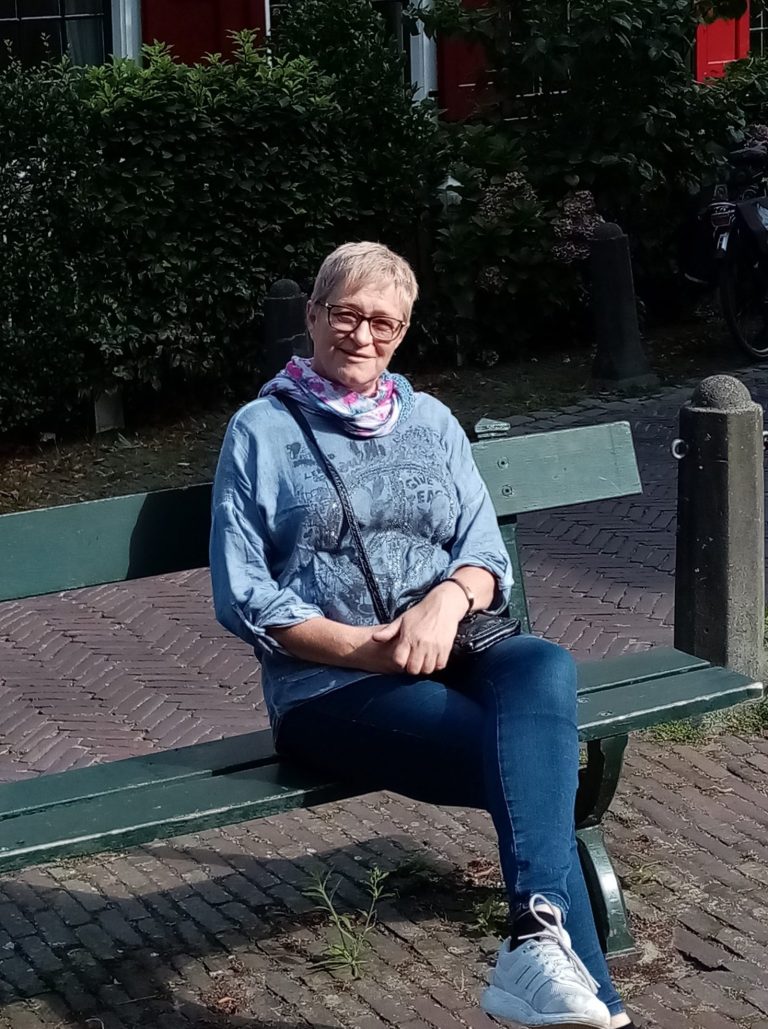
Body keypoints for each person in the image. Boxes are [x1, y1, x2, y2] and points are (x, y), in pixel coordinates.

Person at [210, 241, 634, 1029]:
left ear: (403, 332)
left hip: (458, 645)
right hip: (333, 686)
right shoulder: (261, 432)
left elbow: (483, 552)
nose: (363, 335)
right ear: (313, 316)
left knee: (543, 662)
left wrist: (446, 598)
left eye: (385, 322)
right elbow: (244, 596)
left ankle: (536, 941)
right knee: (530, 768)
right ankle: (583, 991)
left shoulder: (431, 420)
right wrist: (367, 647)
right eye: (347, 314)